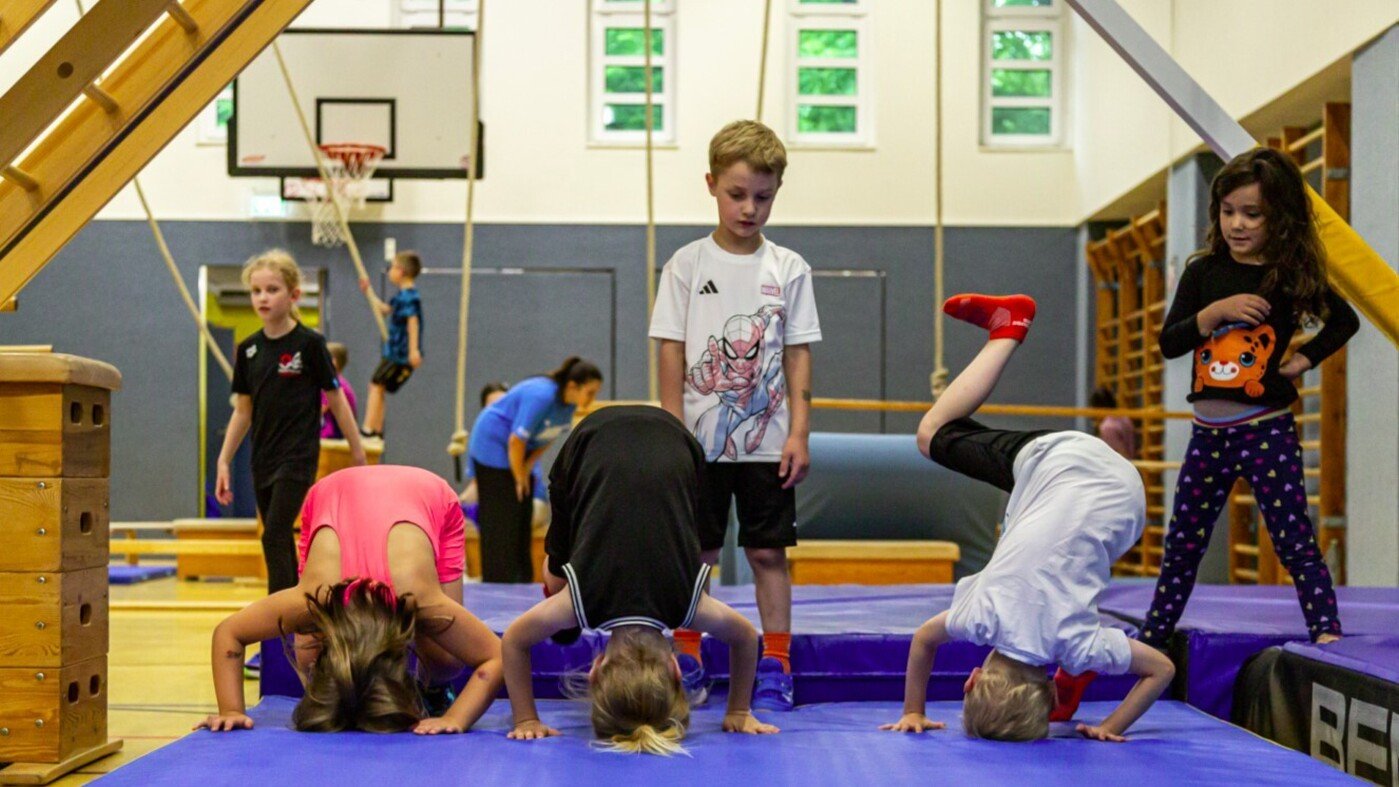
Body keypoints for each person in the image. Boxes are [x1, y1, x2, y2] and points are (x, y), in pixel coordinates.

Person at [882, 293, 1175, 742]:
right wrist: (912, 711)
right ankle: (1008, 328)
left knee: (1074, 556)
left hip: (1127, 501)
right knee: (931, 435)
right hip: (1062, 461)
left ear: (1049, 697)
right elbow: (924, 639)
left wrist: (1109, 727)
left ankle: (1074, 673)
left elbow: (1161, 670)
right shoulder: (979, 616)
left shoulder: (1077, 642)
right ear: (972, 680)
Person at [1144, 147, 1358, 648]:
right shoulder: (1203, 273)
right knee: (1184, 541)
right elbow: (1169, 342)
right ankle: (1154, 631)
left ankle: (1325, 628)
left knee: (1292, 535)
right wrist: (1212, 314)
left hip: (1266, 430)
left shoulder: (1287, 276)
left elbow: (1343, 321)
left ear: (1278, 217)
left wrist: (1303, 359)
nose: (1237, 224)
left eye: (1252, 214)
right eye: (1228, 211)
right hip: (1207, 436)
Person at [648, 120, 822, 712]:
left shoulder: (788, 268)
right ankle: (687, 651)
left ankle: (776, 661)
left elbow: (797, 353)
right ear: (711, 185)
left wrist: (799, 432)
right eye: (737, 194)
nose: (750, 208)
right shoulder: (687, 264)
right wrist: (672, 428)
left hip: (769, 444)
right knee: (697, 550)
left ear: (777, 192)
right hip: (697, 444)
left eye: (763, 197)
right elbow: (670, 347)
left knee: (768, 551)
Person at [501, 405, 778, 754]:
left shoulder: (685, 604)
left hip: (677, 442)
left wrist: (738, 710)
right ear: (595, 669)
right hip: (589, 441)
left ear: (675, 669)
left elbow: (745, 638)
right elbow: (514, 641)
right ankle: (558, 582)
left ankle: (558, 580)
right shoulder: (583, 600)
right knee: (557, 582)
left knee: (558, 580)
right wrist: (525, 719)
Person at [197, 465, 502, 735]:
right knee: (306, 652)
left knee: (445, 661)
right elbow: (229, 633)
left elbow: (495, 656)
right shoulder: (313, 597)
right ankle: (334, 690)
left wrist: (456, 717)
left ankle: (434, 690)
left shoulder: (419, 599)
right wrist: (231, 710)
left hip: (429, 495)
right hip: (330, 496)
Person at [216, 250, 366, 596]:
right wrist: (224, 459)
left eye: (272, 290)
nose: (263, 298)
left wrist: (357, 452)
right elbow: (243, 410)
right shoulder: (249, 350)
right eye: (256, 291)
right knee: (278, 538)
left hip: (298, 456)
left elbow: (336, 398)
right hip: (262, 457)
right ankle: (296, 603)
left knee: (274, 534)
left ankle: (280, 610)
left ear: (294, 294)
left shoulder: (309, 344)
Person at [467, 357, 603, 582]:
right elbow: (516, 440)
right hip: (493, 445)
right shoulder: (541, 395)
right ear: (572, 386)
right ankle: (499, 579)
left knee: (523, 513)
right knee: (503, 517)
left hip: (519, 453)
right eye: (590, 393)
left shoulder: (568, 406)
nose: (592, 399)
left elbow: (547, 438)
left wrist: (527, 467)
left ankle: (521, 578)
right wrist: (518, 477)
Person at [460, 382, 548, 529]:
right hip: (498, 504)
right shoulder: (481, 442)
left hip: (530, 502)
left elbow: (523, 481)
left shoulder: (520, 436)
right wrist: (456, 507)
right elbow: (477, 484)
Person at [359, 250, 424, 439]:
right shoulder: (402, 296)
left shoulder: (410, 297)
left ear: (401, 271)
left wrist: (413, 350)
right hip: (395, 351)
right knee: (379, 387)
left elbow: (413, 322)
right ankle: (376, 430)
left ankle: (368, 428)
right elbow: (385, 310)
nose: (389, 272)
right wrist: (368, 292)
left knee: (375, 385)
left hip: (399, 353)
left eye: (392, 267)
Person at [320, 341, 358, 439]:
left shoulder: (335, 384)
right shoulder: (334, 381)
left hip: (335, 433)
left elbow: (321, 409)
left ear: (333, 362)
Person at [1090, 386, 1136, 460]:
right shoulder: (1125, 418)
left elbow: (1121, 455)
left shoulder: (1107, 427)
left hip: (1119, 464)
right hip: (1131, 463)